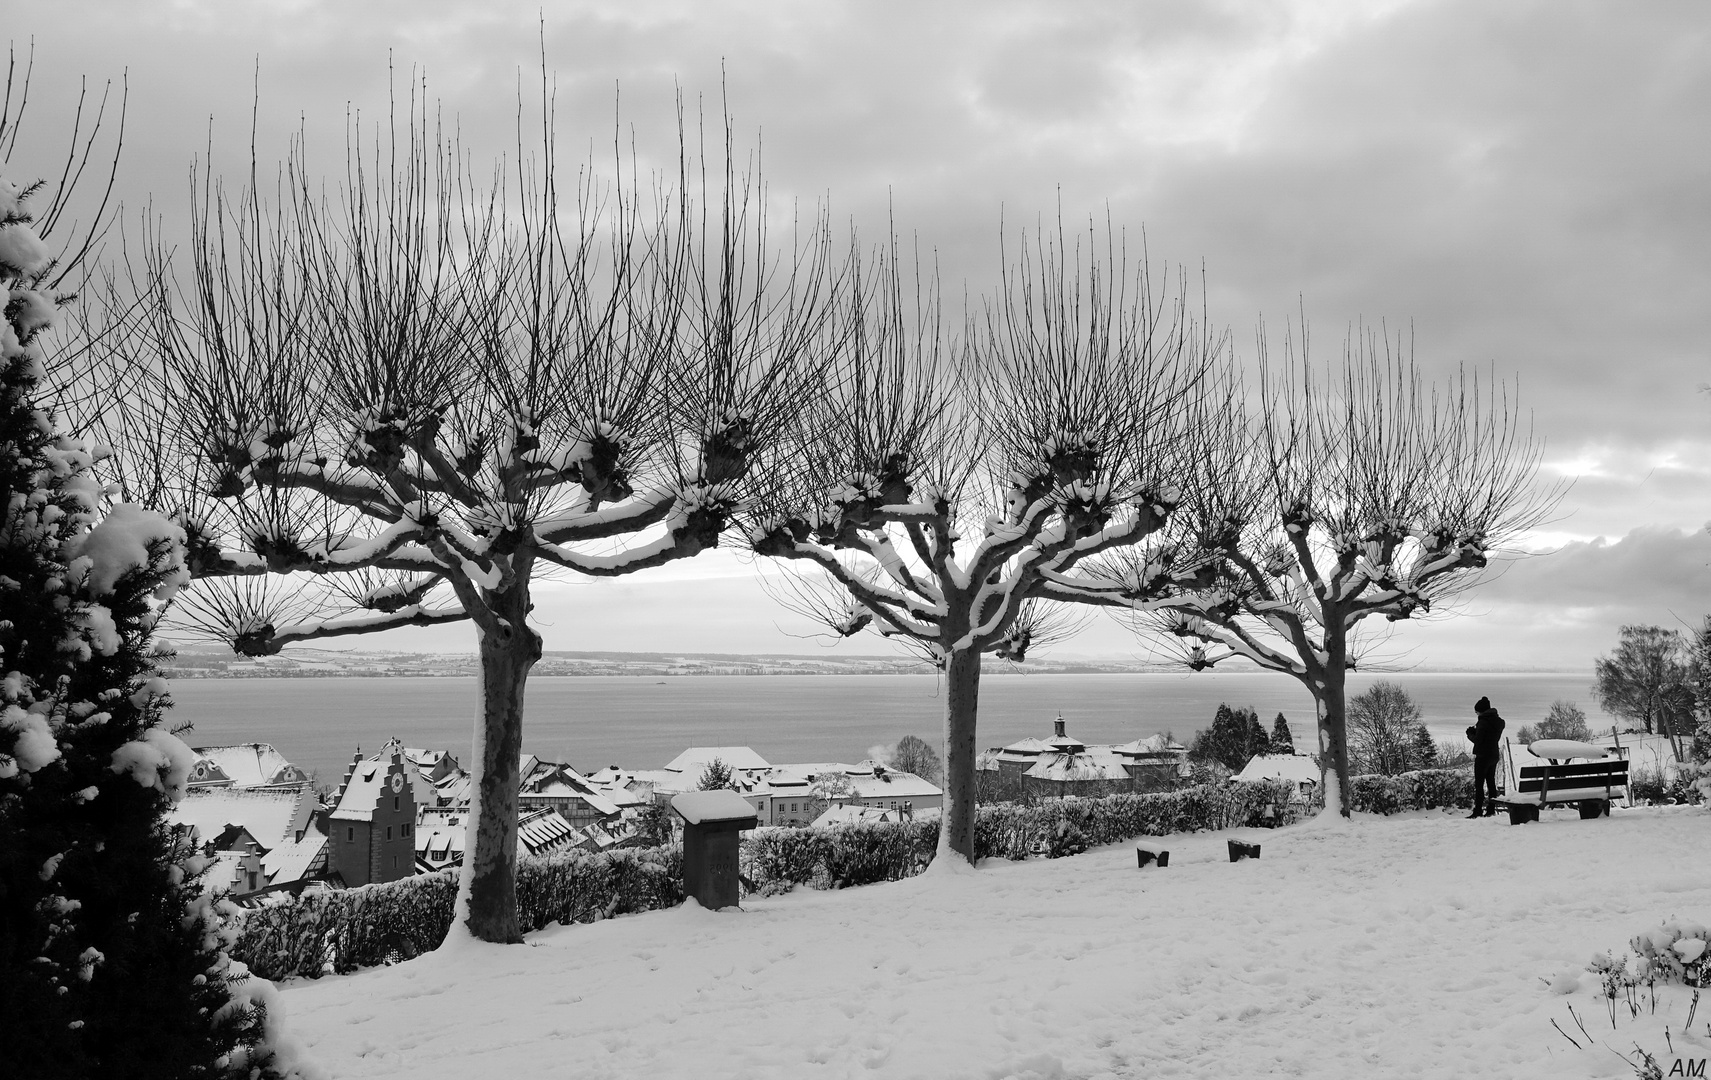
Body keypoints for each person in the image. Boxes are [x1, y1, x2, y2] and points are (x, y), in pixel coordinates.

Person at [1465, 696, 1506, 818]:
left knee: (1479, 784)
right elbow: (1489, 737)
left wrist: (1470, 734)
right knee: (1491, 782)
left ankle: (1478, 810)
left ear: (1481, 711)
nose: (1476, 714)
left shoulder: (1483, 722)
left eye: (1476, 711)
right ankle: (1491, 809)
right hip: (1493, 754)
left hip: (1483, 755)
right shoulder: (1498, 722)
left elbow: (1479, 740)